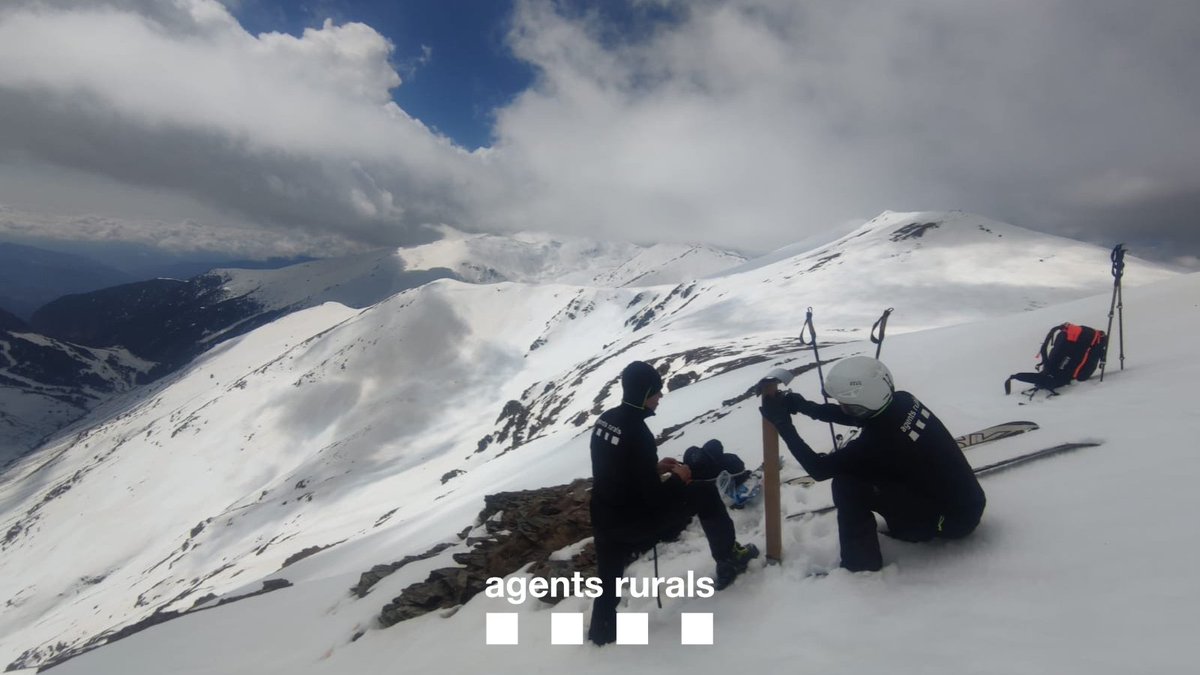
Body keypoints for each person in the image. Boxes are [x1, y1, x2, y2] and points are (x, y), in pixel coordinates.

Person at [759, 356, 985, 572]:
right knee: (866, 471)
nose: (843, 407)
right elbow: (859, 417)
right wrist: (805, 406)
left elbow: (818, 469)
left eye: (845, 403)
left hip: (949, 523)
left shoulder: (877, 442)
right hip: (964, 505)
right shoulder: (902, 401)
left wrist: (782, 423)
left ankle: (861, 565)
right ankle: (906, 522)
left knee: (848, 484)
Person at [588, 360, 758, 646]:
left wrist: (653, 469)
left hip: (605, 517)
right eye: (656, 392)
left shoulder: (607, 419)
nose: (660, 397)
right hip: (636, 520)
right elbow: (654, 500)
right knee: (704, 494)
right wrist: (680, 478)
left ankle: (601, 631)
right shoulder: (639, 433)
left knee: (609, 577)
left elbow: (615, 469)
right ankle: (729, 559)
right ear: (644, 394)